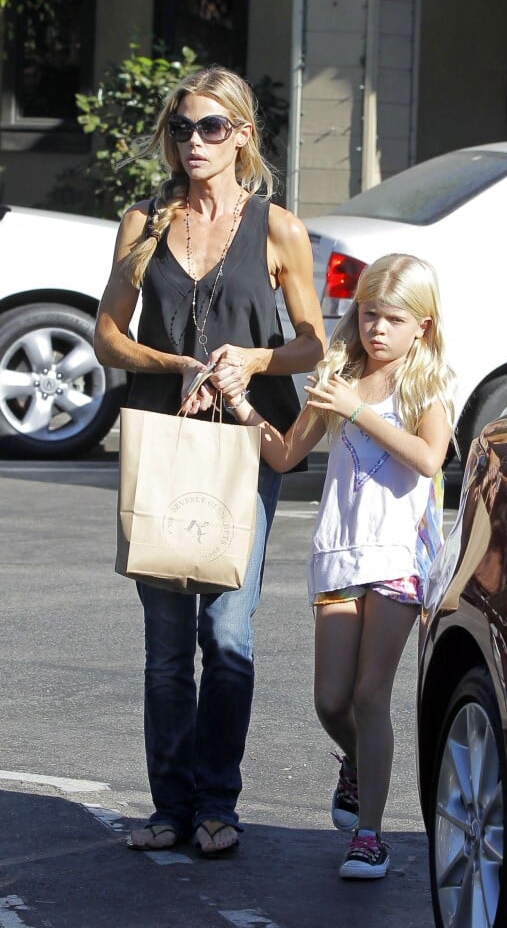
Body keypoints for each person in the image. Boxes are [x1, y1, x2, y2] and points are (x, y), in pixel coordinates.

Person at [94, 65, 325, 855]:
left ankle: (218, 800)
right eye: (184, 128)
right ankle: (170, 805)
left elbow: (313, 343)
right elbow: (107, 335)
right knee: (165, 646)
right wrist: (175, 362)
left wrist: (253, 364)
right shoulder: (144, 222)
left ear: (243, 136)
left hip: (244, 449)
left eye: (212, 128)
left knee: (227, 631)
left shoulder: (278, 228)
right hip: (161, 442)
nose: (195, 142)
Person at [225, 253, 456, 878]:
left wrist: (358, 410)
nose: (377, 329)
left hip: (399, 554)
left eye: (393, 319)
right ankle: (361, 766)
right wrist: (243, 405)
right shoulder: (340, 374)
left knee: (369, 692)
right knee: (332, 701)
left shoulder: (425, 383)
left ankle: (370, 838)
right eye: (369, 314)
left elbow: (430, 460)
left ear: (423, 328)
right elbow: (285, 454)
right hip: (340, 550)